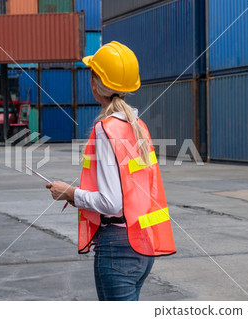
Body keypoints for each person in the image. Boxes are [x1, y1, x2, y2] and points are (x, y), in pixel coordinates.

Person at [47, 41, 176, 301]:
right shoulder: (137, 126)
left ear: (95, 84)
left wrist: (70, 193)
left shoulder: (106, 129)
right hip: (142, 244)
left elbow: (111, 201)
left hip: (118, 246)